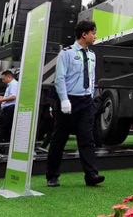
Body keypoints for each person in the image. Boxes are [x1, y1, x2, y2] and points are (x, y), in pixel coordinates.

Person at [45, 20, 104, 188]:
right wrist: (64, 99)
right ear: (84, 34)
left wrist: (91, 96)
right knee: (59, 139)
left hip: (85, 101)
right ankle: (52, 176)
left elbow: (91, 78)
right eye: (93, 33)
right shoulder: (67, 53)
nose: (95, 36)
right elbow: (60, 78)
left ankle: (91, 175)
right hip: (68, 101)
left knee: (87, 139)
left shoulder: (92, 55)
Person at [0, 70, 19, 155]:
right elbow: (10, 96)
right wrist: (0, 97)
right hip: (9, 108)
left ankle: (0, 149)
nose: (2, 81)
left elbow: (13, 97)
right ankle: (3, 149)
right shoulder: (11, 85)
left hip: (9, 109)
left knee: (0, 128)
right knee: (5, 129)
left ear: (9, 77)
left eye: (3, 79)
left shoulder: (13, 84)